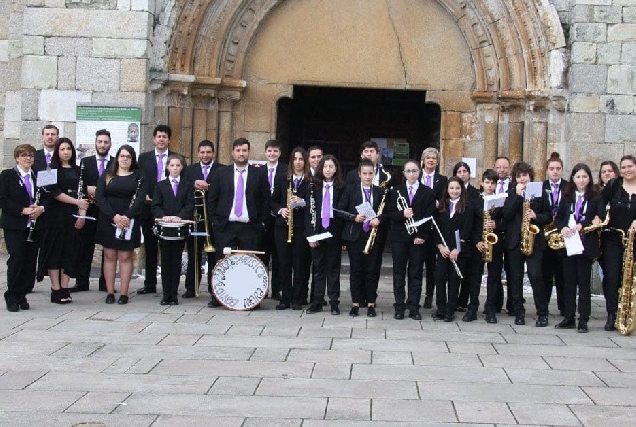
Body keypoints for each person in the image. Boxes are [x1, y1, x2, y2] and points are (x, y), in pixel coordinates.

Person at [207, 138, 270, 308]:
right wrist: (214, 221)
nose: (241, 154)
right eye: (238, 150)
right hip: (225, 227)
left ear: (249, 152)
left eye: (244, 150)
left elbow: (265, 200)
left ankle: (250, 299)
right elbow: (212, 199)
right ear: (232, 152)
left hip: (250, 227)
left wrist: (262, 222)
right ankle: (218, 296)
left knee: (249, 264)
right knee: (222, 262)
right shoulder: (221, 173)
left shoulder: (259, 174)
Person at [38, 138, 89, 304]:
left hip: (73, 216)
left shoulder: (78, 170)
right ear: (57, 152)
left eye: (68, 149)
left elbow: (83, 195)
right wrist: (76, 203)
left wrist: (82, 215)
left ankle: (65, 287)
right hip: (55, 215)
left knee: (70, 251)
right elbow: (53, 193)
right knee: (55, 251)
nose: (65, 152)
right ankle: (55, 288)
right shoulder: (49, 169)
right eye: (62, 149)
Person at [96, 145, 148, 305]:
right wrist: (114, 216)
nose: (124, 159)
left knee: (125, 256)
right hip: (109, 219)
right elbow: (100, 196)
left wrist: (126, 216)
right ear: (117, 157)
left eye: (128, 156)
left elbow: (140, 199)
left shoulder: (139, 176)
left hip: (129, 221)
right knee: (110, 255)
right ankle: (110, 292)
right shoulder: (107, 174)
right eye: (122, 155)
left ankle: (124, 293)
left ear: (132, 160)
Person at [555, 163, 603, 333]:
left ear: (589, 178)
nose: (581, 180)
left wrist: (583, 224)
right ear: (573, 179)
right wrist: (563, 227)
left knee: (583, 283)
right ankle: (569, 317)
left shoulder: (595, 197)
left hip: (584, 245)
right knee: (568, 282)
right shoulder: (567, 196)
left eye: (584, 177)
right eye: (578, 177)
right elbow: (559, 218)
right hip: (569, 244)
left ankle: (583, 319)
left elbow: (599, 218)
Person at [502, 162, 552, 327]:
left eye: (525, 175)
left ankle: (542, 313)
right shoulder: (510, 192)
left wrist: (536, 216)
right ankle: (518, 312)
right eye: (519, 176)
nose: (522, 179)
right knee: (515, 278)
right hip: (515, 241)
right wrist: (516, 196)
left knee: (536, 275)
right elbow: (507, 215)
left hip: (534, 240)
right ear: (515, 178)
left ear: (530, 176)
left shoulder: (539, 192)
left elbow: (548, 216)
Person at [385, 159, 435, 320]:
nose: (412, 174)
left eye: (414, 171)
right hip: (399, 237)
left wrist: (422, 235)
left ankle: (414, 306)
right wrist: (402, 214)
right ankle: (399, 306)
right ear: (404, 174)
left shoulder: (427, 192)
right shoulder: (396, 191)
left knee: (416, 273)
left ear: (419, 172)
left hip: (418, 239)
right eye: (408, 171)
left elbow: (430, 216)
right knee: (399, 272)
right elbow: (389, 214)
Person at [0, 144, 45, 312]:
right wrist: (23, 210)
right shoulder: (7, 175)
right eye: (24, 155)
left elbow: (47, 197)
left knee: (29, 261)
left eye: (31, 156)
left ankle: (22, 294)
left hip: (34, 225)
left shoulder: (38, 176)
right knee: (17, 259)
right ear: (17, 157)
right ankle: (11, 295)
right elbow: (2, 200)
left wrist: (40, 209)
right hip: (15, 225)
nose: (28, 158)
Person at [70, 129, 113, 293]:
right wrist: (88, 188)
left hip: (108, 210)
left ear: (110, 144)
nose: (102, 145)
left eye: (105, 142)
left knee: (108, 247)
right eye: (100, 142)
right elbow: (80, 183)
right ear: (95, 143)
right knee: (85, 245)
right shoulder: (85, 162)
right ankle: (82, 281)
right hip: (90, 208)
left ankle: (105, 283)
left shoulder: (115, 162)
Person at [339, 159, 383, 317]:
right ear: (359, 174)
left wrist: (380, 219)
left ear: (374, 174)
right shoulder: (350, 190)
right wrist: (354, 218)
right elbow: (340, 210)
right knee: (356, 270)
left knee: (371, 271)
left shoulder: (379, 191)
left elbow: (385, 212)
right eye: (364, 173)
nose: (367, 176)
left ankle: (371, 303)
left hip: (373, 236)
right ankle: (355, 303)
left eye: (370, 173)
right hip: (356, 236)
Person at [136, 125, 176, 295]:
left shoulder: (175, 159)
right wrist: (143, 195)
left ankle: (169, 285)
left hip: (168, 209)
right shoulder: (144, 158)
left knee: (168, 248)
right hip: (148, 208)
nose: (161, 139)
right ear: (153, 139)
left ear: (169, 140)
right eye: (158, 136)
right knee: (150, 247)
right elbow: (138, 179)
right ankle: (150, 283)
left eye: (164, 137)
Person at [270, 147, 312, 310]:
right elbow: (273, 201)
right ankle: (285, 298)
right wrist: (281, 210)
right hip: (283, 227)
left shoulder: (311, 181)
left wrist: (301, 201)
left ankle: (298, 298)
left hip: (301, 227)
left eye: (301, 159)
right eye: (295, 159)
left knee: (300, 264)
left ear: (305, 161)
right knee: (283, 263)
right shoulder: (282, 178)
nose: (298, 162)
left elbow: (314, 204)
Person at [183, 139, 224, 299]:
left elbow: (226, 189)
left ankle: (214, 288)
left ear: (213, 153)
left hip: (214, 219)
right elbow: (182, 186)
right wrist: (194, 183)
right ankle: (191, 288)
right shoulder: (189, 170)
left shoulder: (222, 169)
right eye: (202, 152)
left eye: (208, 152)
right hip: (195, 219)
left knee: (215, 256)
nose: (205, 155)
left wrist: (210, 187)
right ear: (198, 153)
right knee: (194, 254)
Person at [152, 154, 195, 306]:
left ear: (182, 167)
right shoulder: (160, 185)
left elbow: (190, 204)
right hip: (165, 228)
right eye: (172, 165)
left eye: (178, 165)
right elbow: (156, 205)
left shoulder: (188, 185)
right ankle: (166, 294)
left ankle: (174, 294)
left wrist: (180, 217)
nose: (175, 168)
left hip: (179, 228)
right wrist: (163, 216)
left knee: (176, 262)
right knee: (165, 261)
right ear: (167, 167)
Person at [305, 155, 345, 315]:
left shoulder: (342, 187)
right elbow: (309, 213)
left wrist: (343, 238)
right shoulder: (313, 187)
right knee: (318, 268)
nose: (328, 169)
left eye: (331, 166)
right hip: (318, 229)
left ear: (336, 169)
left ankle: (334, 301)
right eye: (325, 166)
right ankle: (317, 301)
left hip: (334, 230)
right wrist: (311, 236)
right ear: (321, 169)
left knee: (333, 269)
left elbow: (343, 212)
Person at [600, 155, 636, 331]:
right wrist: (597, 218)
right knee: (612, 277)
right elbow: (599, 203)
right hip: (613, 238)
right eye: (623, 167)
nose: (627, 170)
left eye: (630, 166)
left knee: (631, 278)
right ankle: (612, 313)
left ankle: (630, 312)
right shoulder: (614, 185)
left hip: (634, 240)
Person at [431, 177, 474, 322]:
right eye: (451, 188)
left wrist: (457, 249)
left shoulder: (467, 207)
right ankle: (440, 309)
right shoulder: (441, 206)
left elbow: (467, 229)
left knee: (454, 280)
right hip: (443, 250)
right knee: (440, 278)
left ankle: (450, 310)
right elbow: (436, 229)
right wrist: (440, 246)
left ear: (462, 190)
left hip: (458, 251)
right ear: (447, 190)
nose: (454, 191)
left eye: (457, 188)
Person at [420, 147, 447, 310]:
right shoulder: (415, 175)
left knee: (431, 265)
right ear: (423, 160)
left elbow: (444, 198)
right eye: (428, 158)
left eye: (434, 158)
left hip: (435, 226)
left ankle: (429, 295)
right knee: (416, 263)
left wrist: (436, 204)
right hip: (418, 224)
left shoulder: (442, 179)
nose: (431, 160)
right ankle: (413, 295)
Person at [476, 169, 505, 323]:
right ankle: (473, 306)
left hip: (495, 243)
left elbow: (507, 221)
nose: (489, 186)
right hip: (479, 244)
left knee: (494, 277)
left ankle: (491, 308)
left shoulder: (500, 200)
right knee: (475, 276)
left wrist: (497, 224)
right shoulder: (476, 200)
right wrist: (477, 240)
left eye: (492, 183)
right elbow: (472, 223)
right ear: (482, 183)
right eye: (487, 182)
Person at [260, 139, 286, 300]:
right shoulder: (258, 171)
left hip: (278, 220)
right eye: (269, 151)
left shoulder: (285, 170)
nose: (272, 154)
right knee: (263, 256)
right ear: (265, 152)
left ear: (280, 153)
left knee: (278, 257)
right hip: (263, 220)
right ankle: (263, 289)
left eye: (275, 151)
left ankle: (277, 290)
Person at [453, 161, 480, 313]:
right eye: (459, 171)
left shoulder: (475, 192)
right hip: (455, 236)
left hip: (469, 238)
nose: (462, 174)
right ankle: (453, 300)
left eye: (465, 171)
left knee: (468, 272)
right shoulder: (451, 190)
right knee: (456, 272)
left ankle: (463, 301)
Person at [542, 152, 567, 315]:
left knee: (563, 273)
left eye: (558, 168)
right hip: (545, 234)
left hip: (563, 234)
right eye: (552, 168)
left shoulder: (569, 187)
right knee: (546, 273)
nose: (555, 171)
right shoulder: (540, 186)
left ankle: (564, 307)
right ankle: (543, 306)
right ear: (547, 170)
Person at [492, 156, 512, 313]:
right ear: (494, 168)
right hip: (494, 233)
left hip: (511, 232)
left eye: (505, 167)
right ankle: (496, 302)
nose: (502, 170)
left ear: (509, 169)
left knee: (512, 270)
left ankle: (512, 303)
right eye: (499, 167)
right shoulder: (489, 185)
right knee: (495, 270)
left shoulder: (515, 186)